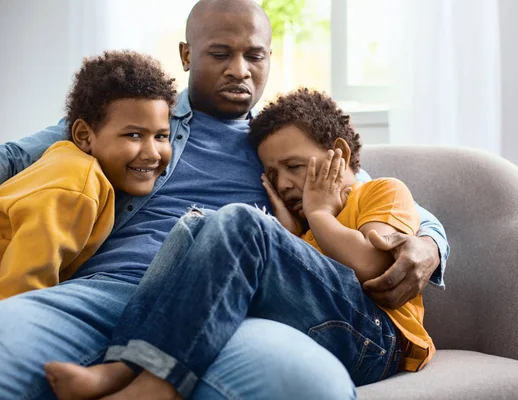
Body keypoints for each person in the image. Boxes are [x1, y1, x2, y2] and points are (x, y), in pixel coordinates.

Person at [0, 1, 448, 399]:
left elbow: (378, 199)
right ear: (187, 55)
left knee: (304, 383)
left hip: (231, 308)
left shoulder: (279, 143)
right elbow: (14, 158)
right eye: (220, 54)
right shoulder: (134, 113)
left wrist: (430, 245)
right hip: (105, 289)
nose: (240, 69)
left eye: (254, 55)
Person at [44, 88, 437, 400]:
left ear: (339, 154)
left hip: (379, 342)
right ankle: (123, 365)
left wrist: (318, 215)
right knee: (194, 228)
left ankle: (159, 388)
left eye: (295, 167)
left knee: (241, 219)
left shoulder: (380, 192)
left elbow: (374, 268)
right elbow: (307, 285)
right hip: (329, 328)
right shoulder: (302, 226)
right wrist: (289, 234)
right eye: (273, 173)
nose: (283, 184)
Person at [0, 50, 175, 299]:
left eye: (161, 136)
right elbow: (20, 287)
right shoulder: (76, 184)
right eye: (133, 135)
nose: (152, 153)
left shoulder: (72, 166)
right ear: (84, 135)